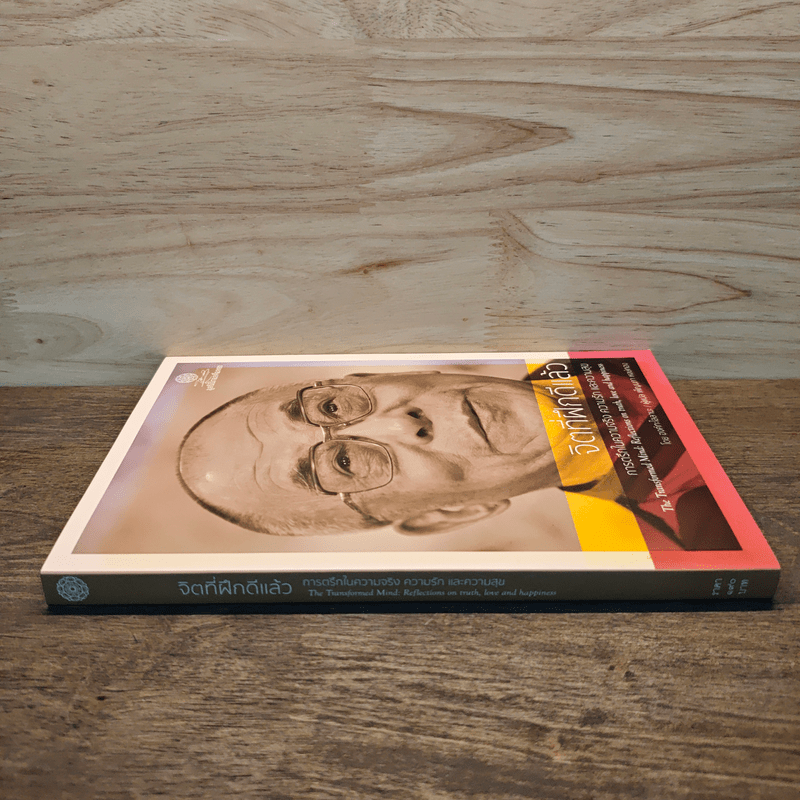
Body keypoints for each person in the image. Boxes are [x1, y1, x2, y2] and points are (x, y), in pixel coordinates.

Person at [177, 366, 738, 550]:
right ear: (451, 513)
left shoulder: (588, 328)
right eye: (344, 464)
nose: (400, 422)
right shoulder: (705, 528)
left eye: (331, 406)